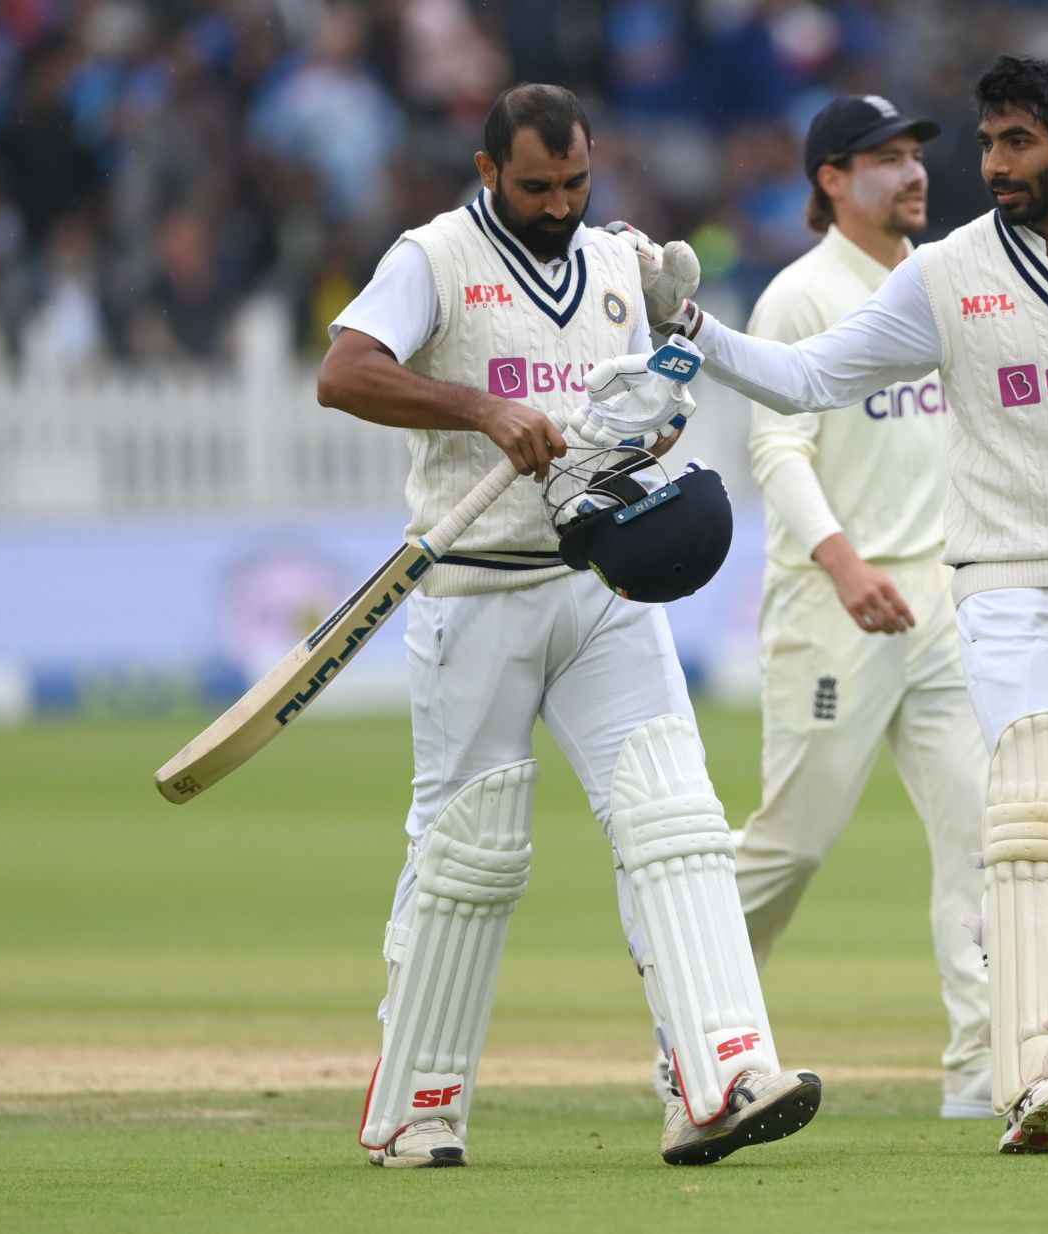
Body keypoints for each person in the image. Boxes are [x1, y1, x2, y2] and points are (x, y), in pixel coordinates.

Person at [619, 55, 1048, 1153]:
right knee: (1039, 800)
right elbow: (810, 378)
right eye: (988, 141)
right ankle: (1038, 1070)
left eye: (1018, 143)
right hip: (1011, 582)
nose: (992, 165)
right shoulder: (949, 273)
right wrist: (697, 333)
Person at [315, 82, 819, 1169]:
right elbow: (345, 372)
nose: (558, 203)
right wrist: (482, 409)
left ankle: (716, 1077)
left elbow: (652, 410)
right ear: (490, 170)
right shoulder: (433, 256)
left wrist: (669, 364)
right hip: (476, 590)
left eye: (576, 182)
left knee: (675, 817)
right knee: (467, 852)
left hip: (601, 585)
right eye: (536, 185)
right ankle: (415, 1107)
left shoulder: (614, 264)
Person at [727, 94, 994, 1120]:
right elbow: (776, 450)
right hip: (833, 606)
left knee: (981, 834)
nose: (913, 173)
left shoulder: (939, 284)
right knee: (792, 843)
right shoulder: (800, 297)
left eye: (916, 154)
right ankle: (699, 1019)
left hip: (941, 602)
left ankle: (983, 1064)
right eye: (883, 158)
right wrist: (843, 564)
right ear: (830, 179)